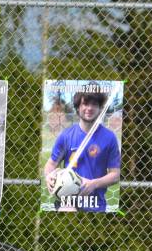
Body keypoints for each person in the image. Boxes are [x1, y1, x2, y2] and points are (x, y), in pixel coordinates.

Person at [43, 84, 120, 212]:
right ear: (78, 107)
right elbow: (51, 164)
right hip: (67, 203)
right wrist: (48, 176)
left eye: (94, 104)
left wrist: (93, 184)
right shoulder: (66, 136)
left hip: (95, 205)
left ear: (100, 108)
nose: (89, 108)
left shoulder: (109, 137)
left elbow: (115, 175)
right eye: (85, 104)